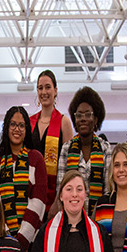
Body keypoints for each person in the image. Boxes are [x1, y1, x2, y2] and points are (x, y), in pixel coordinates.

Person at [0, 105, 48, 250]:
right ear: (6, 127)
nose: (17, 129)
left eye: (21, 125)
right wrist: (6, 235)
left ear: (27, 130)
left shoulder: (36, 158)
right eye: (13, 124)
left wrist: (22, 239)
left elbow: (38, 202)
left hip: (32, 241)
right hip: (1, 239)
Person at [56, 86, 114, 214]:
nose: (83, 118)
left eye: (88, 114)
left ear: (96, 120)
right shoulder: (66, 148)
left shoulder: (105, 148)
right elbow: (61, 187)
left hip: (99, 217)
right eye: (79, 115)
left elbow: (108, 190)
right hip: (71, 217)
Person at [30, 70, 73, 209]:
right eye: (40, 88)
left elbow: (69, 164)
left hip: (55, 195)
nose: (44, 92)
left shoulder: (63, 122)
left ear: (55, 90)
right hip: (31, 193)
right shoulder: (29, 123)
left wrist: (60, 199)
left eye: (48, 87)